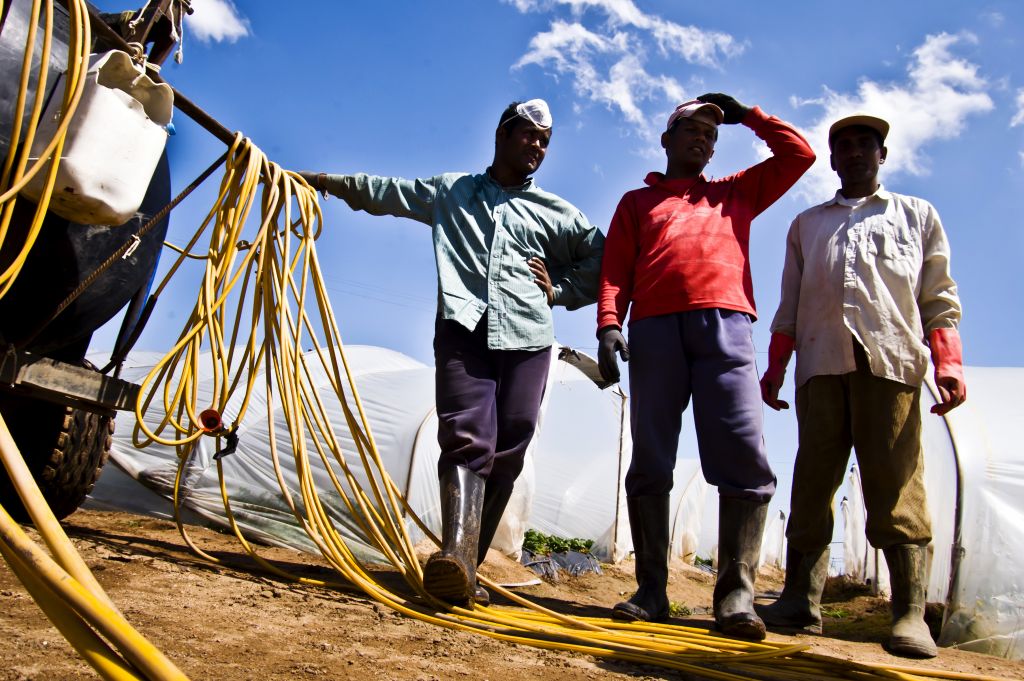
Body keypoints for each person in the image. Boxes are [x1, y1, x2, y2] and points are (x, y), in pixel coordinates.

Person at [298, 99, 604, 607]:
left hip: (528, 337)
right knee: (466, 436)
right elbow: (386, 193)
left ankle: (468, 568)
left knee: (511, 444)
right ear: (502, 134)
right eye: (528, 135)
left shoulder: (558, 214)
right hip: (464, 328)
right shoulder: (452, 192)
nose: (537, 147)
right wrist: (325, 182)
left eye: (545, 141)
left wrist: (562, 290)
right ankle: (455, 556)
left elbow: (603, 255)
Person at [596, 93, 815, 639]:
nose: (703, 140)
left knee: (742, 450)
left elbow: (799, 156)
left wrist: (750, 117)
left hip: (726, 328)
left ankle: (736, 596)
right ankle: (650, 590)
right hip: (654, 331)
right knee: (650, 454)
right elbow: (616, 270)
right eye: (691, 131)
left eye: (712, 136)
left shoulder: (735, 192)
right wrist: (608, 324)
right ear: (666, 140)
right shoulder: (636, 203)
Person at [757, 114, 965, 658]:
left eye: (864, 144)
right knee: (812, 482)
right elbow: (789, 306)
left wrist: (949, 364)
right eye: (843, 145)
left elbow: (938, 298)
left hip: (890, 365)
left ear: (882, 154)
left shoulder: (915, 216)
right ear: (832, 158)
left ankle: (909, 614)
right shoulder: (807, 224)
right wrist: (776, 365)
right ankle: (801, 602)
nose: (853, 152)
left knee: (895, 483)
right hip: (821, 367)